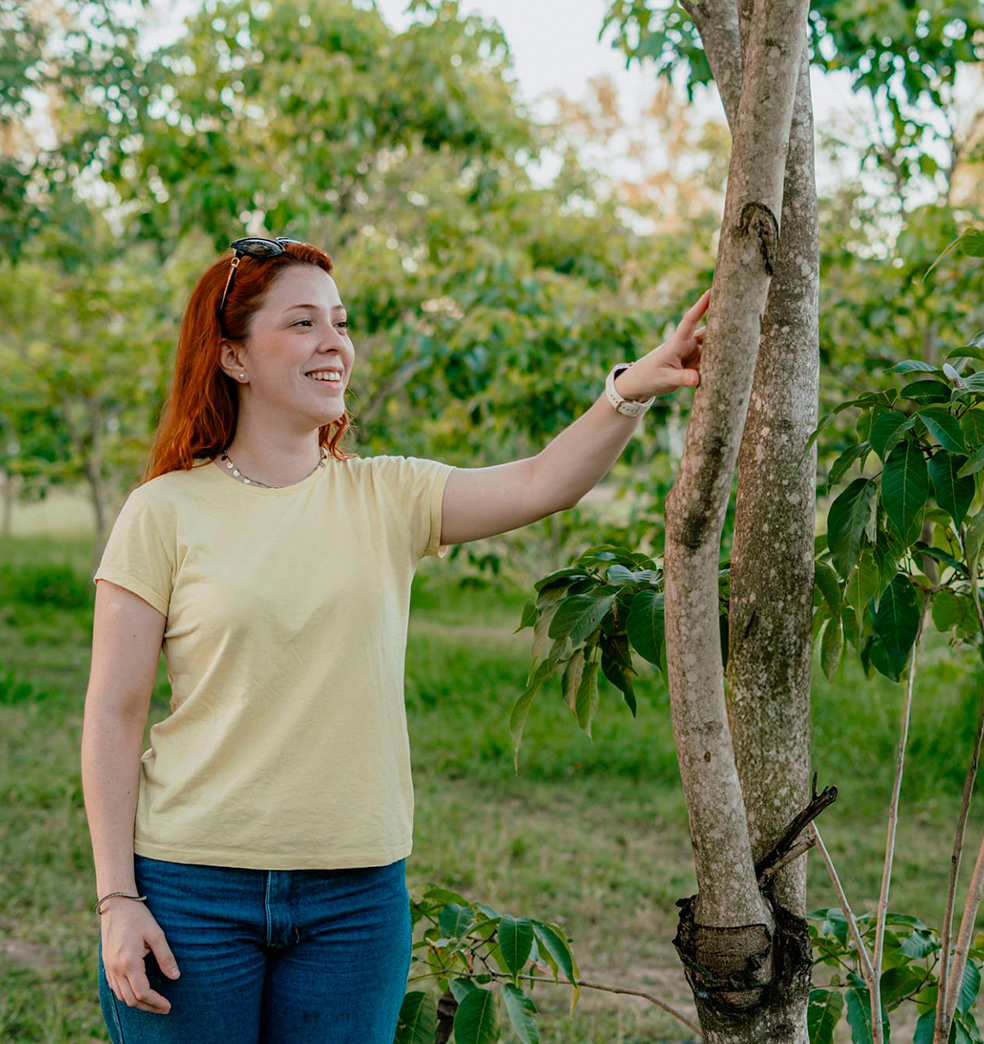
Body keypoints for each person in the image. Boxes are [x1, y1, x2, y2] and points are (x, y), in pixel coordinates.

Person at [80, 236, 708, 1044]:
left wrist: (632, 389)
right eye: (302, 323)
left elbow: (541, 482)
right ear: (233, 357)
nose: (333, 342)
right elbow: (113, 712)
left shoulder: (387, 495)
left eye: (339, 323)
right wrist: (117, 898)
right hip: (192, 889)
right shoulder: (163, 511)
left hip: (354, 899)